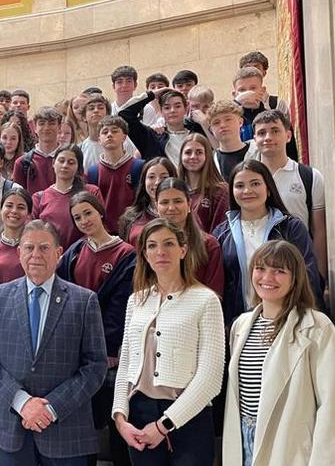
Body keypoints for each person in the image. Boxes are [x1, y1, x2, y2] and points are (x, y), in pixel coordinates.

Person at [0, 220, 108, 465]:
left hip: (66, 430)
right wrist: (22, 402)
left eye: (44, 248)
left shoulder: (84, 301)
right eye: (29, 247)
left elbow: (95, 366)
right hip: (10, 426)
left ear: (58, 253)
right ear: (19, 252)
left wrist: (51, 408)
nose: (35, 255)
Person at [222, 240, 335, 466]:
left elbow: (331, 405)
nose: (267, 278)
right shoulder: (241, 325)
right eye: (260, 269)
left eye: (279, 271)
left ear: (295, 278)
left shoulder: (316, 326)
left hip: (288, 443)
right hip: (243, 439)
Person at [111, 218, 225, 465]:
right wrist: (120, 418)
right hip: (139, 416)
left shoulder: (205, 300)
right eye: (151, 246)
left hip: (188, 416)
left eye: (168, 244)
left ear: (183, 250)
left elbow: (211, 378)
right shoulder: (136, 301)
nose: (160, 252)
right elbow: (127, 364)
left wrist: (164, 425)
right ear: (144, 254)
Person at [57, 192, 136, 466]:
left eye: (88, 213)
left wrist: (108, 349)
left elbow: (121, 308)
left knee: (117, 423)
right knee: (85, 425)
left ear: (100, 212)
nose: (84, 221)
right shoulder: (75, 251)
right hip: (78, 352)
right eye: (77, 217)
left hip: (111, 355)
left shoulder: (126, 253)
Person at [212, 160, 324, 327]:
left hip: (288, 319)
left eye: (255, 183)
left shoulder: (290, 227)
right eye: (240, 186)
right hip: (239, 324)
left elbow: (309, 275)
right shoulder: (221, 234)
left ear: (269, 188)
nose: (247, 191)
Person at [252, 110, 328, 283]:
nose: (268, 137)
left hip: (299, 268)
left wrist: (320, 279)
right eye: (261, 133)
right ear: (254, 140)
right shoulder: (247, 179)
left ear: (287, 135)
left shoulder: (309, 176)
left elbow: (319, 231)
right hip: (260, 270)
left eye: (275, 131)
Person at [154, 178, 224, 297]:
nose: (171, 208)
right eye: (165, 202)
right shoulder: (148, 244)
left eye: (178, 201)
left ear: (189, 204)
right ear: (156, 206)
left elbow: (215, 293)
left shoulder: (209, 244)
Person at [33, 144, 104, 250]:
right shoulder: (39, 198)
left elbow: (100, 226)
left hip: (85, 254)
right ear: (53, 163)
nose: (65, 165)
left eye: (71, 162)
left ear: (78, 167)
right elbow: (33, 232)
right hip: (51, 257)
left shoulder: (91, 192)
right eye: (61, 161)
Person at [85, 115, 144, 235]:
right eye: (105, 132)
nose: (109, 135)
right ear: (99, 139)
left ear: (124, 137)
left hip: (134, 231)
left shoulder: (139, 167)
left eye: (115, 131)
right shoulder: (92, 172)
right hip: (104, 234)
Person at [118, 88, 206, 165]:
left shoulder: (198, 131)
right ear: (161, 111)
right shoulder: (152, 138)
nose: (172, 110)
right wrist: (152, 95)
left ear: (186, 109)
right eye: (167, 107)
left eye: (177, 106)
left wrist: (204, 123)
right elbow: (123, 113)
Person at [119, 157, 177, 245]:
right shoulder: (130, 217)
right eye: (151, 177)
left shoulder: (181, 213)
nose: (157, 182)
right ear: (144, 181)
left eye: (164, 177)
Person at [178, 133, 229, 233]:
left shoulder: (220, 191)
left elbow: (220, 230)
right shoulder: (176, 191)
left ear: (207, 156)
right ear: (181, 156)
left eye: (199, 152)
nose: (193, 157)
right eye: (188, 152)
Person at [12, 107, 63, 195]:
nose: (46, 128)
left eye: (51, 123)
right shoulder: (22, 163)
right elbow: (18, 197)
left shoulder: (69, 160)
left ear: (59, 127)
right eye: (42, 123)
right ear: (35, 127)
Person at [206, 100, 257, 180]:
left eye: (228, 119)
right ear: (211, 129)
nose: (222, 125)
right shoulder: (210, 160)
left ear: (240, 122)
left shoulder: (257, 152)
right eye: (216, 122)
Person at [238, 51, 291, 119]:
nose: (251, 72)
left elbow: (285, 128)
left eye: (256, 68)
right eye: (247, 68)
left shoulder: (277, 103)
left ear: (264, 72)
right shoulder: (235, 106)